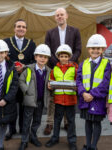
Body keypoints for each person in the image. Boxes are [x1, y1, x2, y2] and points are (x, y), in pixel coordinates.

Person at [44, 7, 81, 135]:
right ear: (55, 18)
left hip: (70, 69)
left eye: (61, 14)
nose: (59, 17)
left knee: (68, 94)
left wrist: (69, 62)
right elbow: (48, 51)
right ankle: (49, 123)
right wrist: (58, 64)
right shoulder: (50, 32)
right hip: (55, 68)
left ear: (67, 16)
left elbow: (78, 49)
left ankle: (66, 122)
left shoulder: (75, 31)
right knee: (52, 97)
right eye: (57, 15)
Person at [76, 34, 111, 150]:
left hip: (97, 100)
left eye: (98, 48)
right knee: (88, 122)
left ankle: (93, 146)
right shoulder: (83, 64)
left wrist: (92, 94)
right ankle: (88, 144)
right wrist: (83, 93)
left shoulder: (106, 64)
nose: (95, 51)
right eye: (93, 48)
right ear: (88, 49)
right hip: (85, 99)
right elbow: (79, 81)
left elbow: (105, 83)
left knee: (96, 123)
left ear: (102, 50)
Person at [4, 19, 36, 140]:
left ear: (26, 29)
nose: (21, 28)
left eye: (23, 27)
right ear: (14, 28)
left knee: (24, 105)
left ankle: (23, 128)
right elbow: (1, 58)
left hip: (25, 80)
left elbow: (34, 61)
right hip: (11, 79)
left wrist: (24, 67)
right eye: (19, 26)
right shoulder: (6, 42)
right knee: (11, 105)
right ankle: (11, 130)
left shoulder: (31, 44)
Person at [18, 44, 51, 150]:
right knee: (27, 120)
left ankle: (33, 136)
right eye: (40, 56)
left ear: (47, 59)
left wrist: (51, 87)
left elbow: (51, 84)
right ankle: (24, 140)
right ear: (35, 57)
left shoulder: (49, 71)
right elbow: (21, 81)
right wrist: (26, 91)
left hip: (41, 100)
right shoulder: (29, 69)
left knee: (37, 120)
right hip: (30, 100)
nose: (42, 59)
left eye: (45, 57)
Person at [45, 44, 78, 150]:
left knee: (71, 121)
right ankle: (55, 138)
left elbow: (79, 82)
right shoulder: (54, 69)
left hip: (70, 100)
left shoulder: (75, 68)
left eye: (66, 56)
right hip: (58, 100)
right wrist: (49, 86)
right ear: (58, 57)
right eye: (61, 56)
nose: (64, 58)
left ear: (69, 57)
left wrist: (78, 86)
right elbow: (51, 81)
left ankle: (72, 141)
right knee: (57, 120)